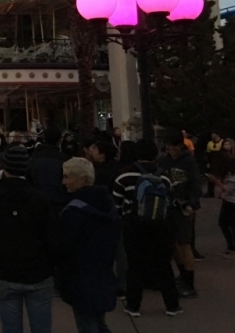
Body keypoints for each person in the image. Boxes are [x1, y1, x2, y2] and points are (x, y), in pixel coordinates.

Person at [0, 145, 58, 333]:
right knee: (41, 326)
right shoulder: (40, 199)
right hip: (38, 271)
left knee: (10, 327)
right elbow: (52, 236)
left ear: (5, 167)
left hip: (7, 271)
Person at [113, 138, 182, 318]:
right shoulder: (164, 176)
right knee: (163, 266)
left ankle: (134, 306)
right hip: (160, 226)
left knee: (135, 266)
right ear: (155, 154)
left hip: (134, 226)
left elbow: (117, 204)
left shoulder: (124, 175)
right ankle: (172, 305)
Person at [57, 158, 119, 333]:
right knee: (99, 322)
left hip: (80, 278)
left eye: (67, 177)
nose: (64, 182)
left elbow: (64, 247)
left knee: (87, 324)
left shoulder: (73, 212)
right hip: (103, 274)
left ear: (82, 179)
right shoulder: (107, 205)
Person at [159, 131, 201, 298]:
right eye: (168, 146)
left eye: (174, 146)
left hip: (183, 207)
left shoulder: (188, 161)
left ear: (180, 145)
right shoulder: (164, 160)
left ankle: (189, 283)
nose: (171, 149)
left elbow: (195, 184)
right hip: (168, 207)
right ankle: (182, 275)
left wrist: (192, 204)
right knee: (174, 244)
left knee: (185, 244)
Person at [28, 128, 70, 214]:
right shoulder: (66, 160)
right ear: (60, 140)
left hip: (37, 204)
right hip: (60, 204)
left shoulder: (34, 159)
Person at [206, 156, 235, 257]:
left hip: (232, 201)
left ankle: (233, 248)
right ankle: (232, 247)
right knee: (231, 224)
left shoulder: (234, 175)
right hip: (230, 200)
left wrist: (216, 181)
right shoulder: (232, 174)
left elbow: (228, 189)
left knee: (226, 224)